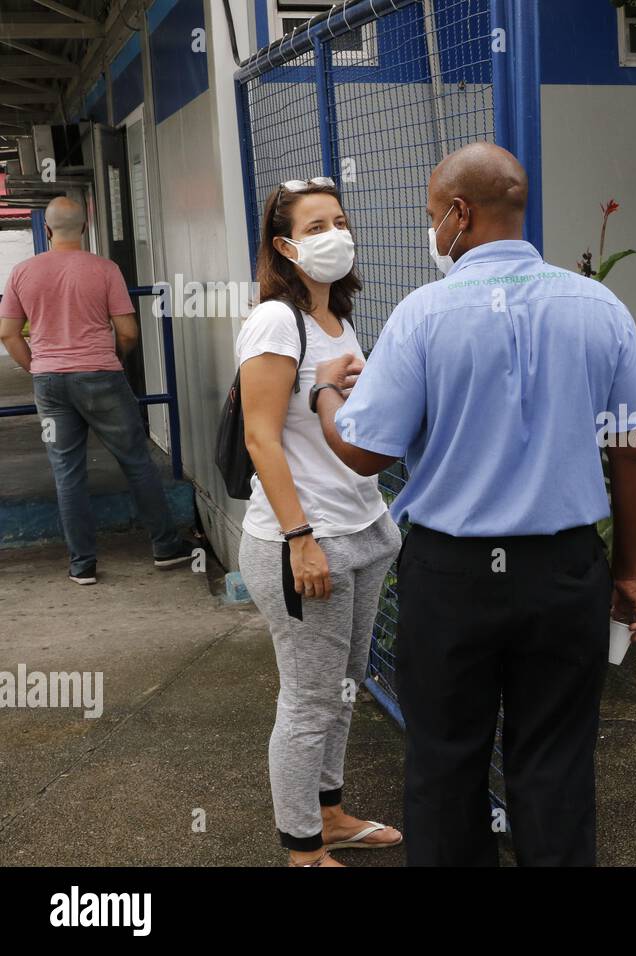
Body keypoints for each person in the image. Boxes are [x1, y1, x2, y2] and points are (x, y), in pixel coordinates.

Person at [312, 143, 636, 866]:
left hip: (451, 579)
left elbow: (365, 453)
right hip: (564, 575)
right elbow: (635, 455)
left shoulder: (421, 317)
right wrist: (625, 574)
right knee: (557, 764)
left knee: (444, 764)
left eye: (434, 215)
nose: (433, 228)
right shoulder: (600, 309)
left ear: (459, 214)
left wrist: (324, 395)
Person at [235, 177, 403, 867]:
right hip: (304, 539)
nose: (333, 234)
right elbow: (261, 438)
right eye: (314, 227)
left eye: (338, 220)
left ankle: (329, 814)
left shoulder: (338, 318)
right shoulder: (277, 320)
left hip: (361, 528)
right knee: (308, 700)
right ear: (284, 245)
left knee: (344, 684)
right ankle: (301, 848)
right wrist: (301, 539)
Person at [0, 196, 191, 585]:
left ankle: (82, 564)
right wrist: (115, 359)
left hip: (49, 383)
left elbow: (7, 333)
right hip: (100, 375)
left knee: (66, 471)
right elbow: (128, 332)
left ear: (48, 230)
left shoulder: (22, 271)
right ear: (85, 227)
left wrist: (37, 367)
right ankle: (165, 547)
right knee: (136, 461)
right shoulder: (105, 270)